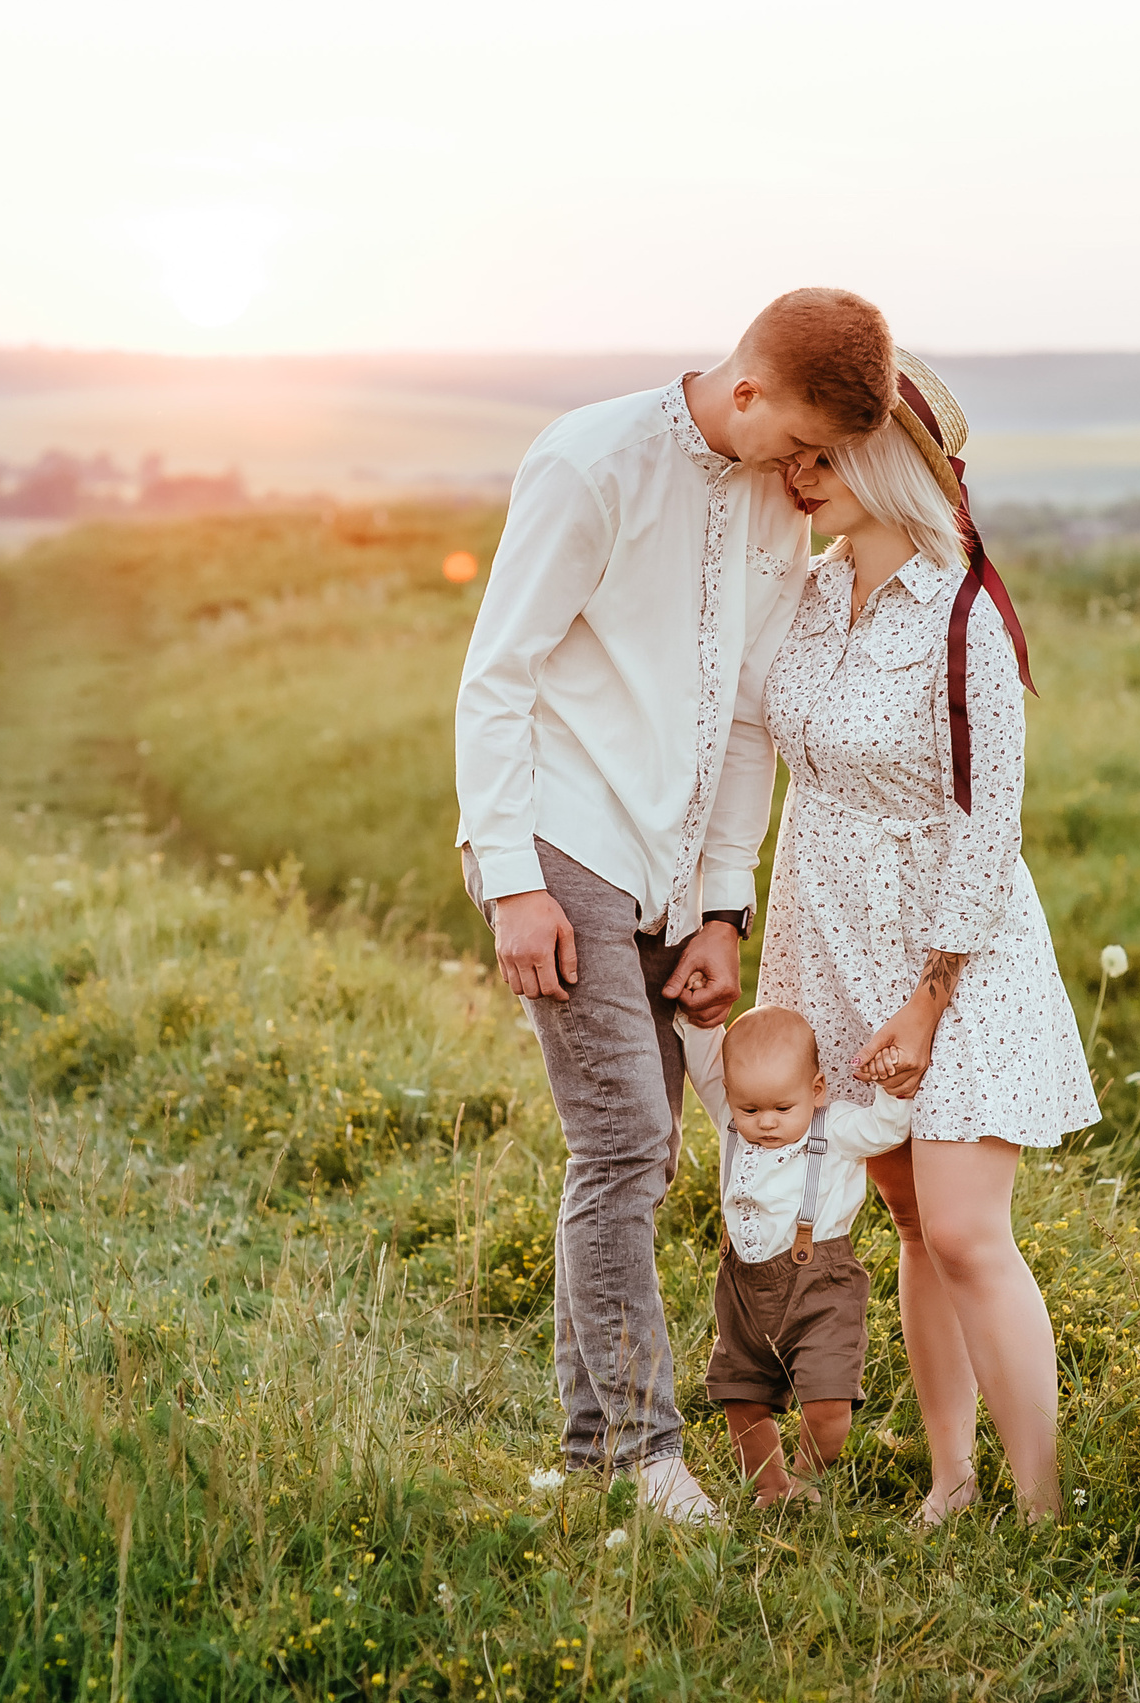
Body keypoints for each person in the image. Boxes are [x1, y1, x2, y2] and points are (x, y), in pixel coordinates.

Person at [455, 288, 896, 1523]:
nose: (805, 474)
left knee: (639, 1148)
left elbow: (748, 715)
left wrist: (720, 909)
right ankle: (647, 1455)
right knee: (621, 1145)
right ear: (745, 390)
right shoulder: (589, 462)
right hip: (563, 838)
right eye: (797, 441)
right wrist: (512, 880)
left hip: (673, 870)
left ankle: (595, 1450)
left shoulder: (772, 499)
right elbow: (495, 678)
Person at [761, 350, 1100, 1523]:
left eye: (827, 453)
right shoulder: (806, 594)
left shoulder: (964, 611)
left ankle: (1043, 1505)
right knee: (909, 1219)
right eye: (796, 451)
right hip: (831, 932)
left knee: (963, 1227)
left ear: (889, 460)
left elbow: (988, 821)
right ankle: (952, 1478)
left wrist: (926, 998)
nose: (801, 472)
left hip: (954, 949)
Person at [678, 1007, 911, 1506]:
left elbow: (886, 1130)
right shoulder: (732, 1122)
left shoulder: (835, 1128)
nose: (765, 1122)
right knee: (741, 1397)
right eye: (749, 1109)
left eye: (783, 1108)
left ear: (817, 1090)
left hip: (821, 1289)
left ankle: (807, 1477)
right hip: (742, 1291)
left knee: (829, 1399)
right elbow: (705, 1068)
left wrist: (890, 1089)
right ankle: (769, 1487)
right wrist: (698, 1022)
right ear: (731, 1098)